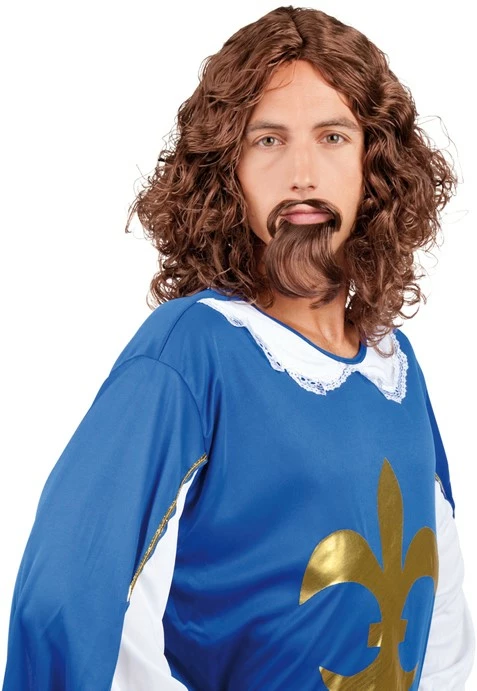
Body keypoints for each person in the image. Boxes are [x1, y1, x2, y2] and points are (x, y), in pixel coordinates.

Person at [2, 5, 475, 690]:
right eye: (268, 140)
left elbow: (443, 617)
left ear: (374, 164)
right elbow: (65, 601)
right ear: (228, 169)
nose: (302, 173)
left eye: (333, 137)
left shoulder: (392, 367)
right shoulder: (191, 352)